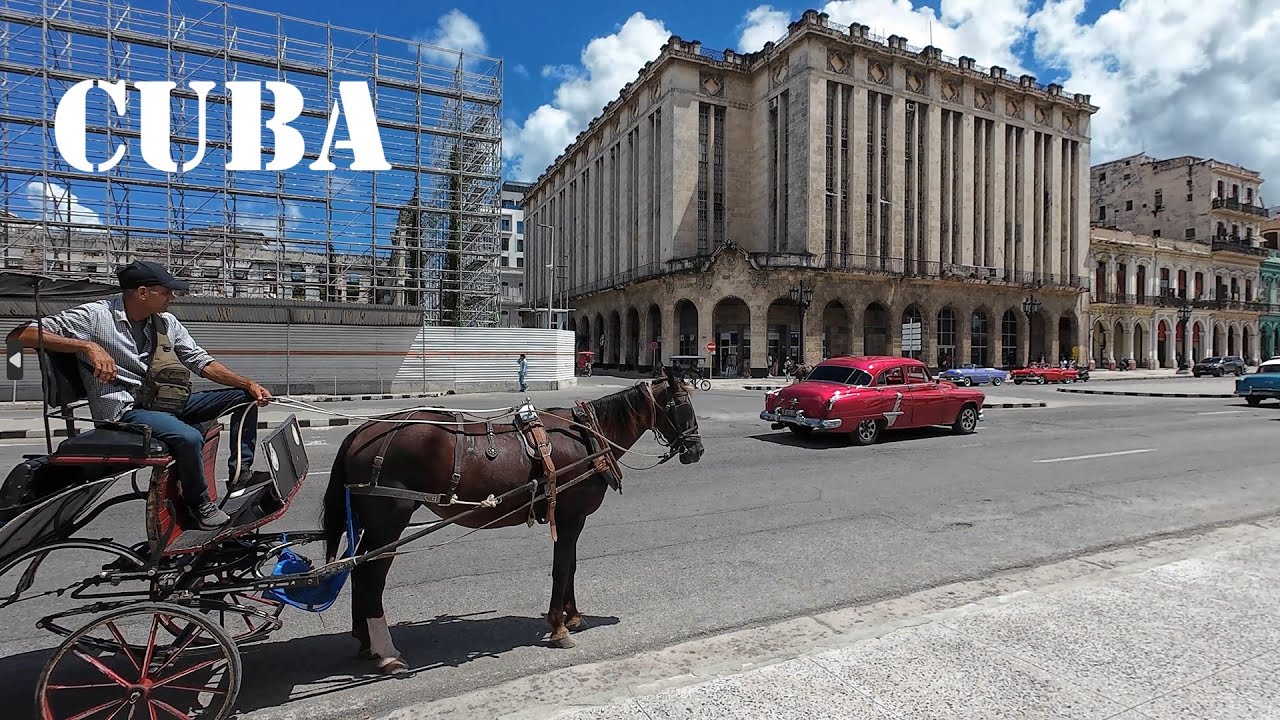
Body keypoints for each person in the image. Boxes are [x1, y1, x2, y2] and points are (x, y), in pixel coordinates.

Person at [8, 260, 272, 531]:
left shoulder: (166, 322)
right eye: (166, 291)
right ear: (143, 292)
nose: (172, 296)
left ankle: (240, 473)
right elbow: (18, 335)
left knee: (244, 396)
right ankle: (199, 505)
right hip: (124, 411)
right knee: (188, 436)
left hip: (164, 403)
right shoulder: (95, 316)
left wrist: (247, 382)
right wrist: (87, 346)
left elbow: (200, 361)